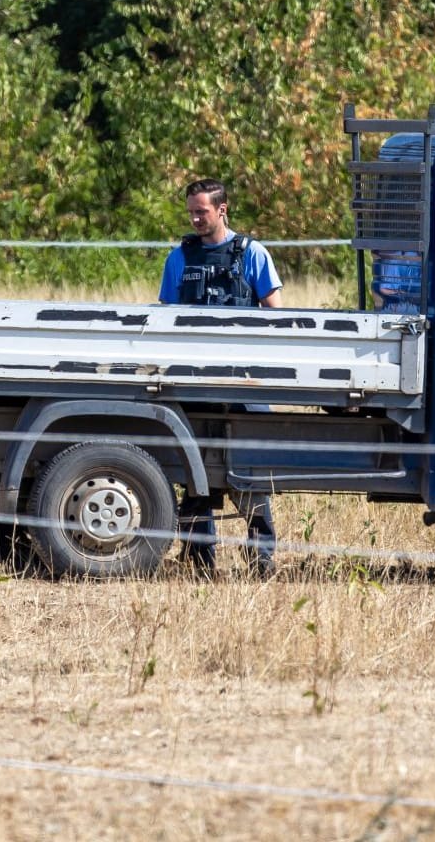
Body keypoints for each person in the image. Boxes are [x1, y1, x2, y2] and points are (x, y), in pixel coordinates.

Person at [157, 179, 282, 576]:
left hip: (245, 384)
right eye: (191, 211)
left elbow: (276, 316)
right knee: (194, 477)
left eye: (202, 212)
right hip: (195, 386)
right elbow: (165, 318)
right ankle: (197, 563)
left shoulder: (253, 254)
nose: (195, 218)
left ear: (222, 209)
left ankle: (261, 562)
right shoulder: (179, 258)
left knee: (253, 478)